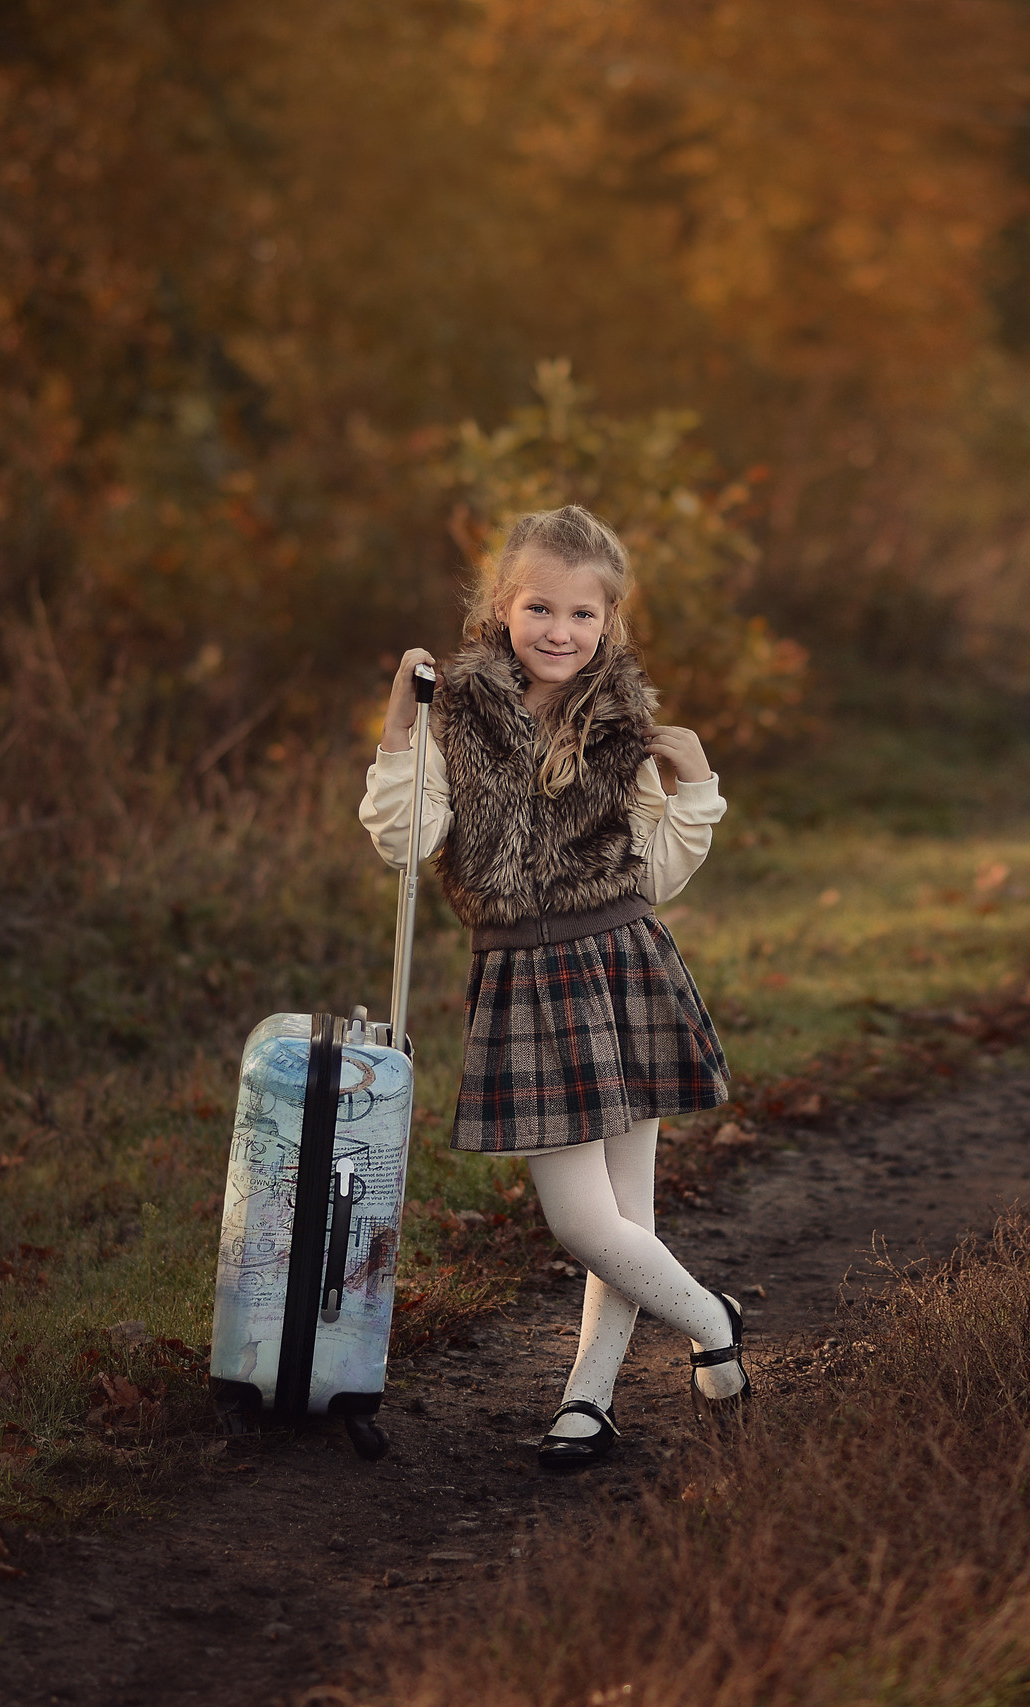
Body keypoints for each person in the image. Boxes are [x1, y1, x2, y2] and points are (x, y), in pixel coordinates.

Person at [359, 503, 746, 1470]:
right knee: (582, 1221)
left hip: (624, 963)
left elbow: (652, 875)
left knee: (624, 1220)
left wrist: (693, 784)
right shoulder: (458, 712)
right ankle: (715, 1321)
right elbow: (405, 844)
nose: (559, 632)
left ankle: (588, 1398)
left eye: (582, 615)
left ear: (608, 621)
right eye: (540, 608)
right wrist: (401, 723)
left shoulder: (624, 726)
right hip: (524, 980)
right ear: (503, 605)